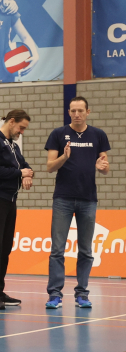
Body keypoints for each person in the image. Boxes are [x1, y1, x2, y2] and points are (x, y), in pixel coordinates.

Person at [44, 96, 111, 309]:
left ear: (87, 112)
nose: (76, 114)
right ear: (69, 112)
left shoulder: (98, 135)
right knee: (57, 249)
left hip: (88, 199)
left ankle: (82, 293)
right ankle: (55, 295)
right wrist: (64, 157)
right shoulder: (58, 134)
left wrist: (102, 168)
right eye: (73, 110)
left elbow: (105, 166)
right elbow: (50, 167)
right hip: (63, 199)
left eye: (80, 110)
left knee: (85, 250)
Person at [0, 109, 33, 309]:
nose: (22, 132)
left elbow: (25, 166)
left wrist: (27, 174)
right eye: (21, 127)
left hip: (10, 199)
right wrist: (19, 173)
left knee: (5, 247)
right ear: (11, 121)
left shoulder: (13, 146)